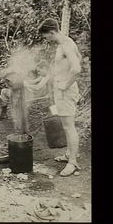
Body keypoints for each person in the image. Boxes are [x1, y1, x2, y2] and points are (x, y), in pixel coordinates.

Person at [38, 18, 82, 176]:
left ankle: (73, 163)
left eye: (46, 37)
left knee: (69, 128)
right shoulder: (65, 44)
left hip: (66, 91)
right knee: (66, 126)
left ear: (52, 32)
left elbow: (76, 68)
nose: (46, 40)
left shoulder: (66, 44)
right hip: (62, 90)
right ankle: (69, 155)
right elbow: (79, 60)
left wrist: (65, 84)